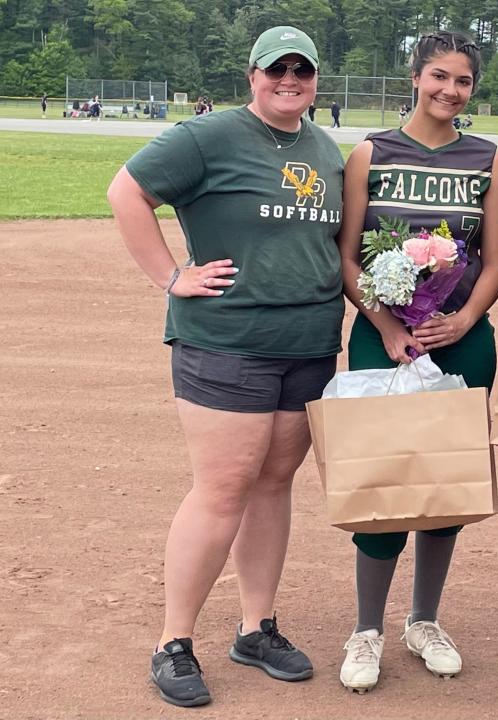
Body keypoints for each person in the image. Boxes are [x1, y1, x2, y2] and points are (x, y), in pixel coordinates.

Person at [106, 25, 344, 707]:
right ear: (252, 74)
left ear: (316, 80)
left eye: (302, 70)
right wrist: (171, 275)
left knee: (274, 483)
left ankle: (256, 627)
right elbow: (126, 192)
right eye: (277, 70)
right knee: (223, 487)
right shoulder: (207, 137)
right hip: (227, 341)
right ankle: (173, 642)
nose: (289, 80)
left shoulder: (324, 148)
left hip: (307, 343)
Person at [336, 29, 498, 693]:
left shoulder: (486, 157)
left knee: (444, 487)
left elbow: (494, 259)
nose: (450, 91)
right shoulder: (371, 153)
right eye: (439, 76)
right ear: (416, 76)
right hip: (382, 339)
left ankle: (424, 621)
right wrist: (386, 324)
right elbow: (348, 257)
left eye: (463, 81)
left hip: (461, 339)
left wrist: (462, 318)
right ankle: (366, 630)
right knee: (382, 483)